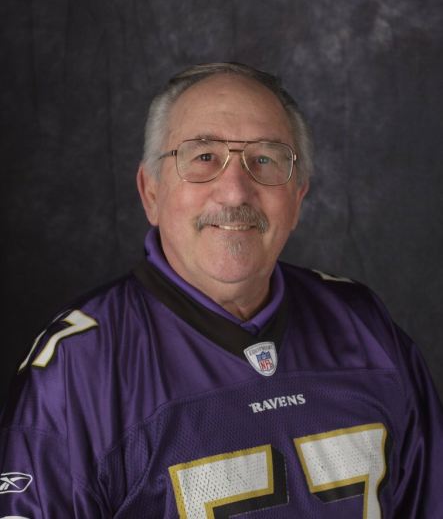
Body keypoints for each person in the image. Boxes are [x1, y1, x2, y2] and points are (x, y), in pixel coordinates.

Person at [0, 62, 442, 518]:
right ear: (150, 192)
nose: (234, 192)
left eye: (265, 159)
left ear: (298, 197)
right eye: (204, 157)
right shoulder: (78, 369)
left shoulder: (364, 326)